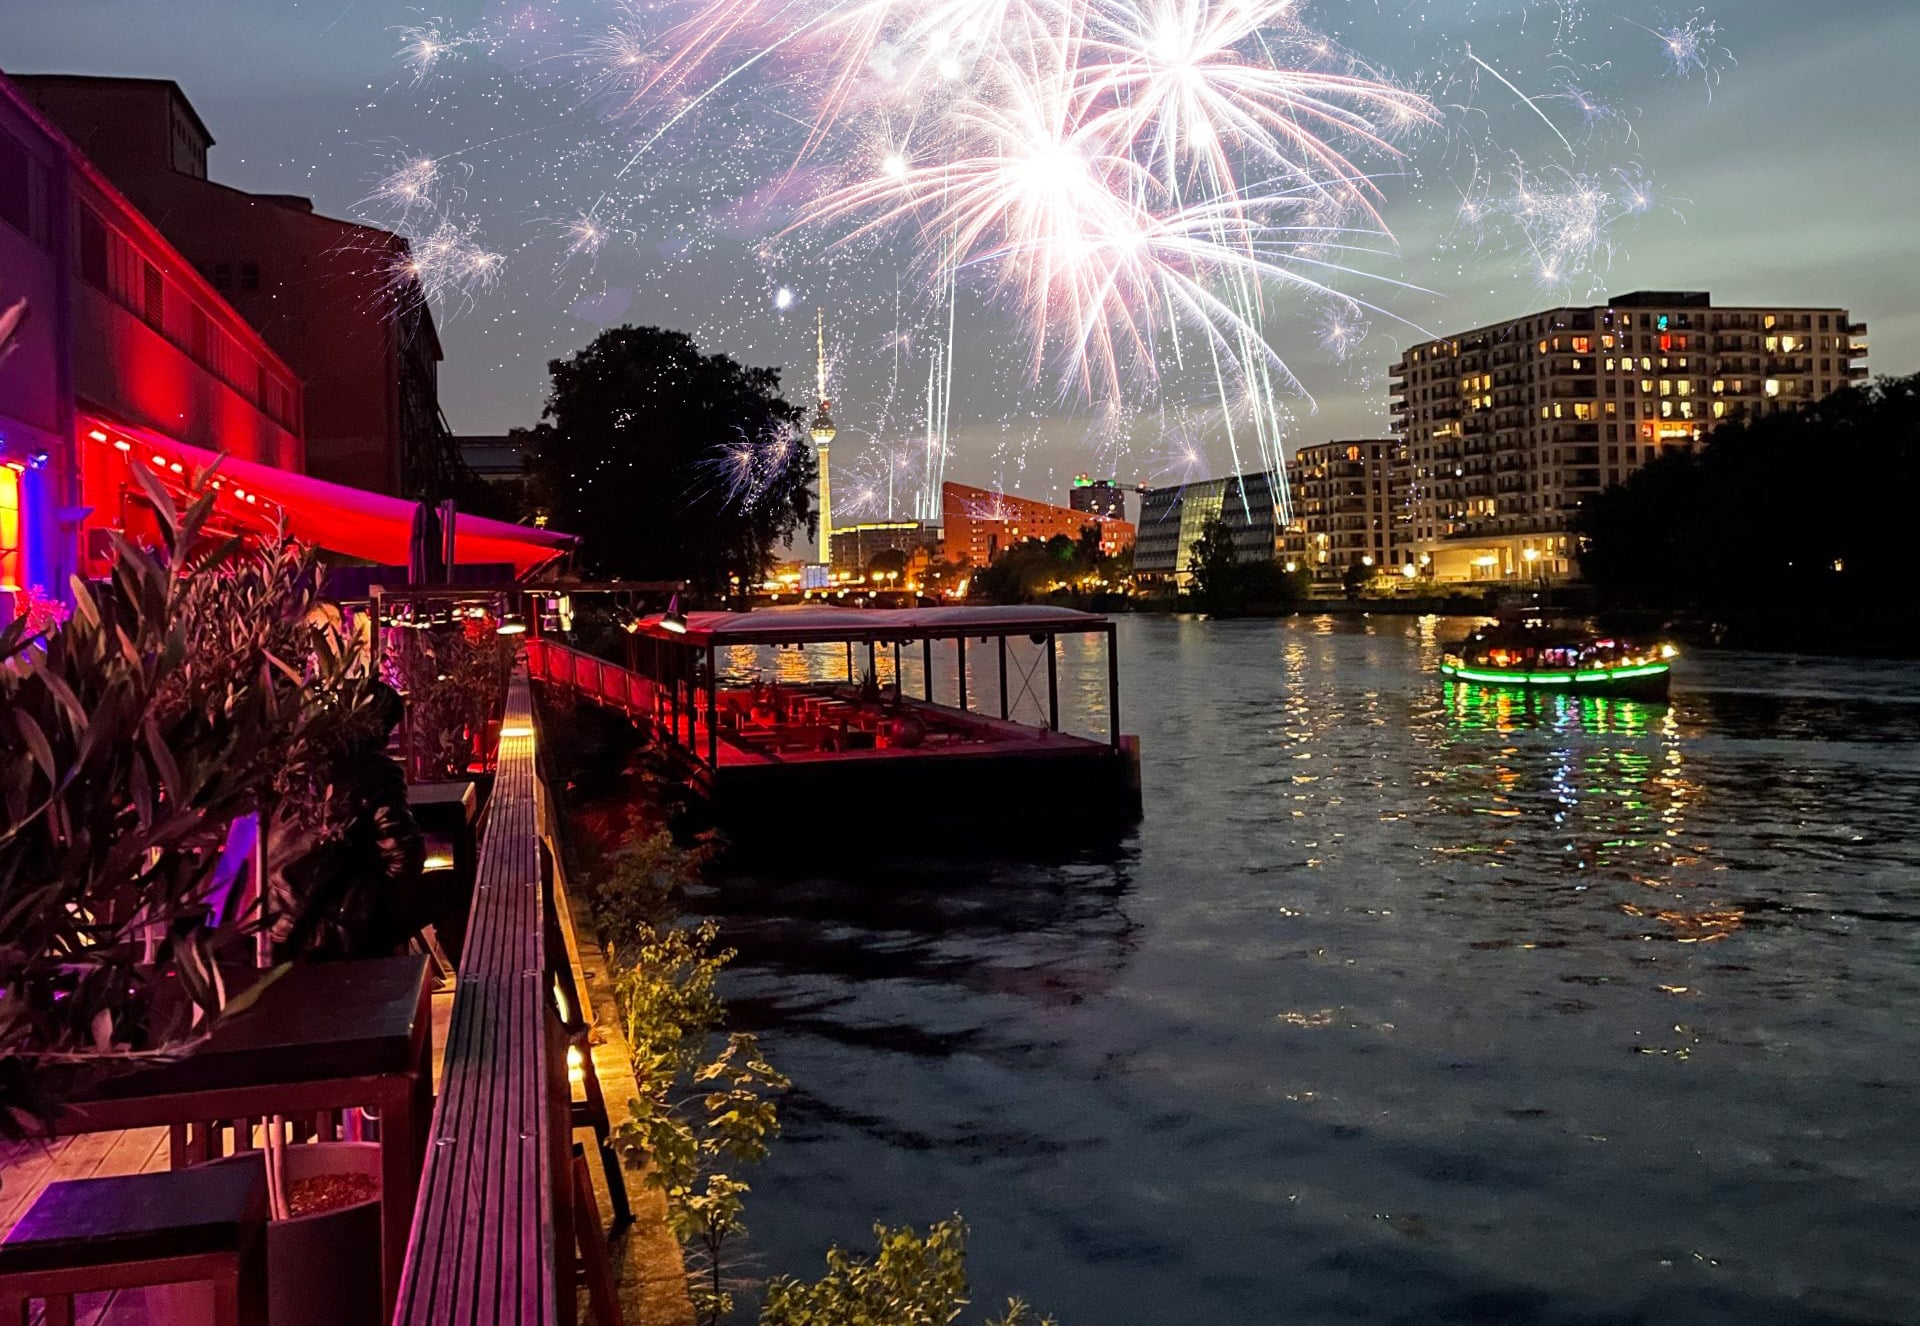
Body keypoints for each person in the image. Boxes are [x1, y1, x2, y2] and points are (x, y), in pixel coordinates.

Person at [269, 681, 431, 961]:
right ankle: (477, 992)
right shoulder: (375, 770)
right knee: (460, 890)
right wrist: (379, 912)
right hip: (333, 927)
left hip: (273, 924)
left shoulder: (292, 763)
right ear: (379, 729)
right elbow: (405, 854)